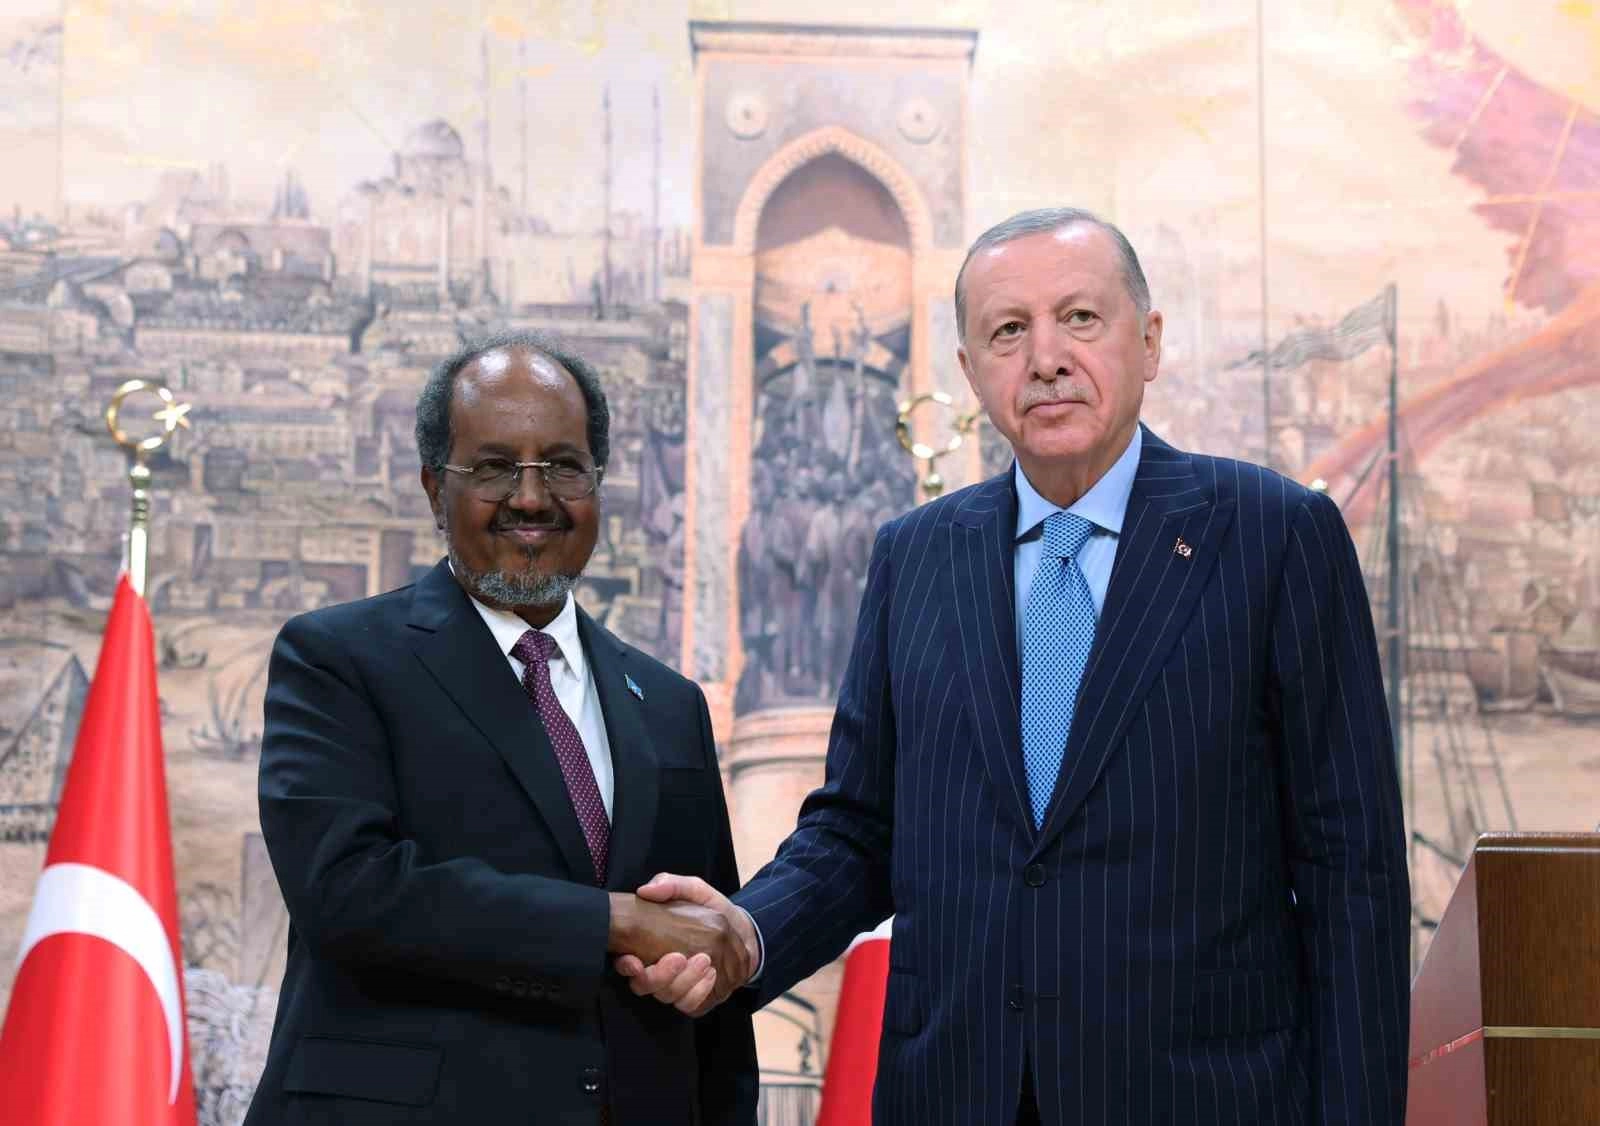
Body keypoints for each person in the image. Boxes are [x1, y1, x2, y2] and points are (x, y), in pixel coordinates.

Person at [620, 209, 1411, 1124]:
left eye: (1080, 318)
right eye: (1008, 331)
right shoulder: (916, 556)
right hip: (960, 1092)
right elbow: (859, 830)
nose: (1045, 358)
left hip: (1201, 1096)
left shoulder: (1273, 536)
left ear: (1149, 342)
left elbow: (1351, 870)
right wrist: (747, 932)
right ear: (969, 370)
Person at [245, 332, 757, 1126]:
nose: (531, 497)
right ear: (433, 489)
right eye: (492, 468)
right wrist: (614, 921)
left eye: (564, 466)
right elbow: (349, 893)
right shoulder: (338, 659)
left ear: (597, 482)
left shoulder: (669, 704)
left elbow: (707, 979)